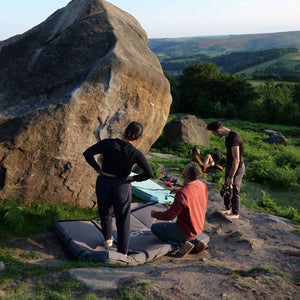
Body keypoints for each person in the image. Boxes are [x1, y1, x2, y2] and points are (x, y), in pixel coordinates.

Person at [83, 121, 154, 255]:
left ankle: (107, 240)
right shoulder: (135, 153)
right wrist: (135, 178)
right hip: (122, 186)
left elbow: (87, 153)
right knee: (123, 219)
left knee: (105, 213)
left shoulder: (108, 143)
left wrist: (97, 168)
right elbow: (149, 173)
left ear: (124, 131)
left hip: (104, 181)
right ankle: (123, 251)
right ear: (138, 138)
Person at [151, 162, 208, 258]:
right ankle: (196, 241)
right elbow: (192, 192)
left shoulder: (182, 194)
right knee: (186, 229)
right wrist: (181, 189)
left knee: (155, 228)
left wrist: (155, 214)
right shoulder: (202, 184)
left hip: (186, 230)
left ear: (187, 174)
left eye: (185, 168)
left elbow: (169, 216)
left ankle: (180, 245)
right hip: (198, 226)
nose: (183, 169)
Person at [206, 120, 245, 219]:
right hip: (229, 165)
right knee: (227, 188)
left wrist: (231, 176)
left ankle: (236, 213)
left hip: (237, 167)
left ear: (218, 130)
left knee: (235, 188)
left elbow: (236, 160)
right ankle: (228, 209)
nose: (214, 135)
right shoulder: (227, 137)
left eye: (214, 133)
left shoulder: (234, 138)